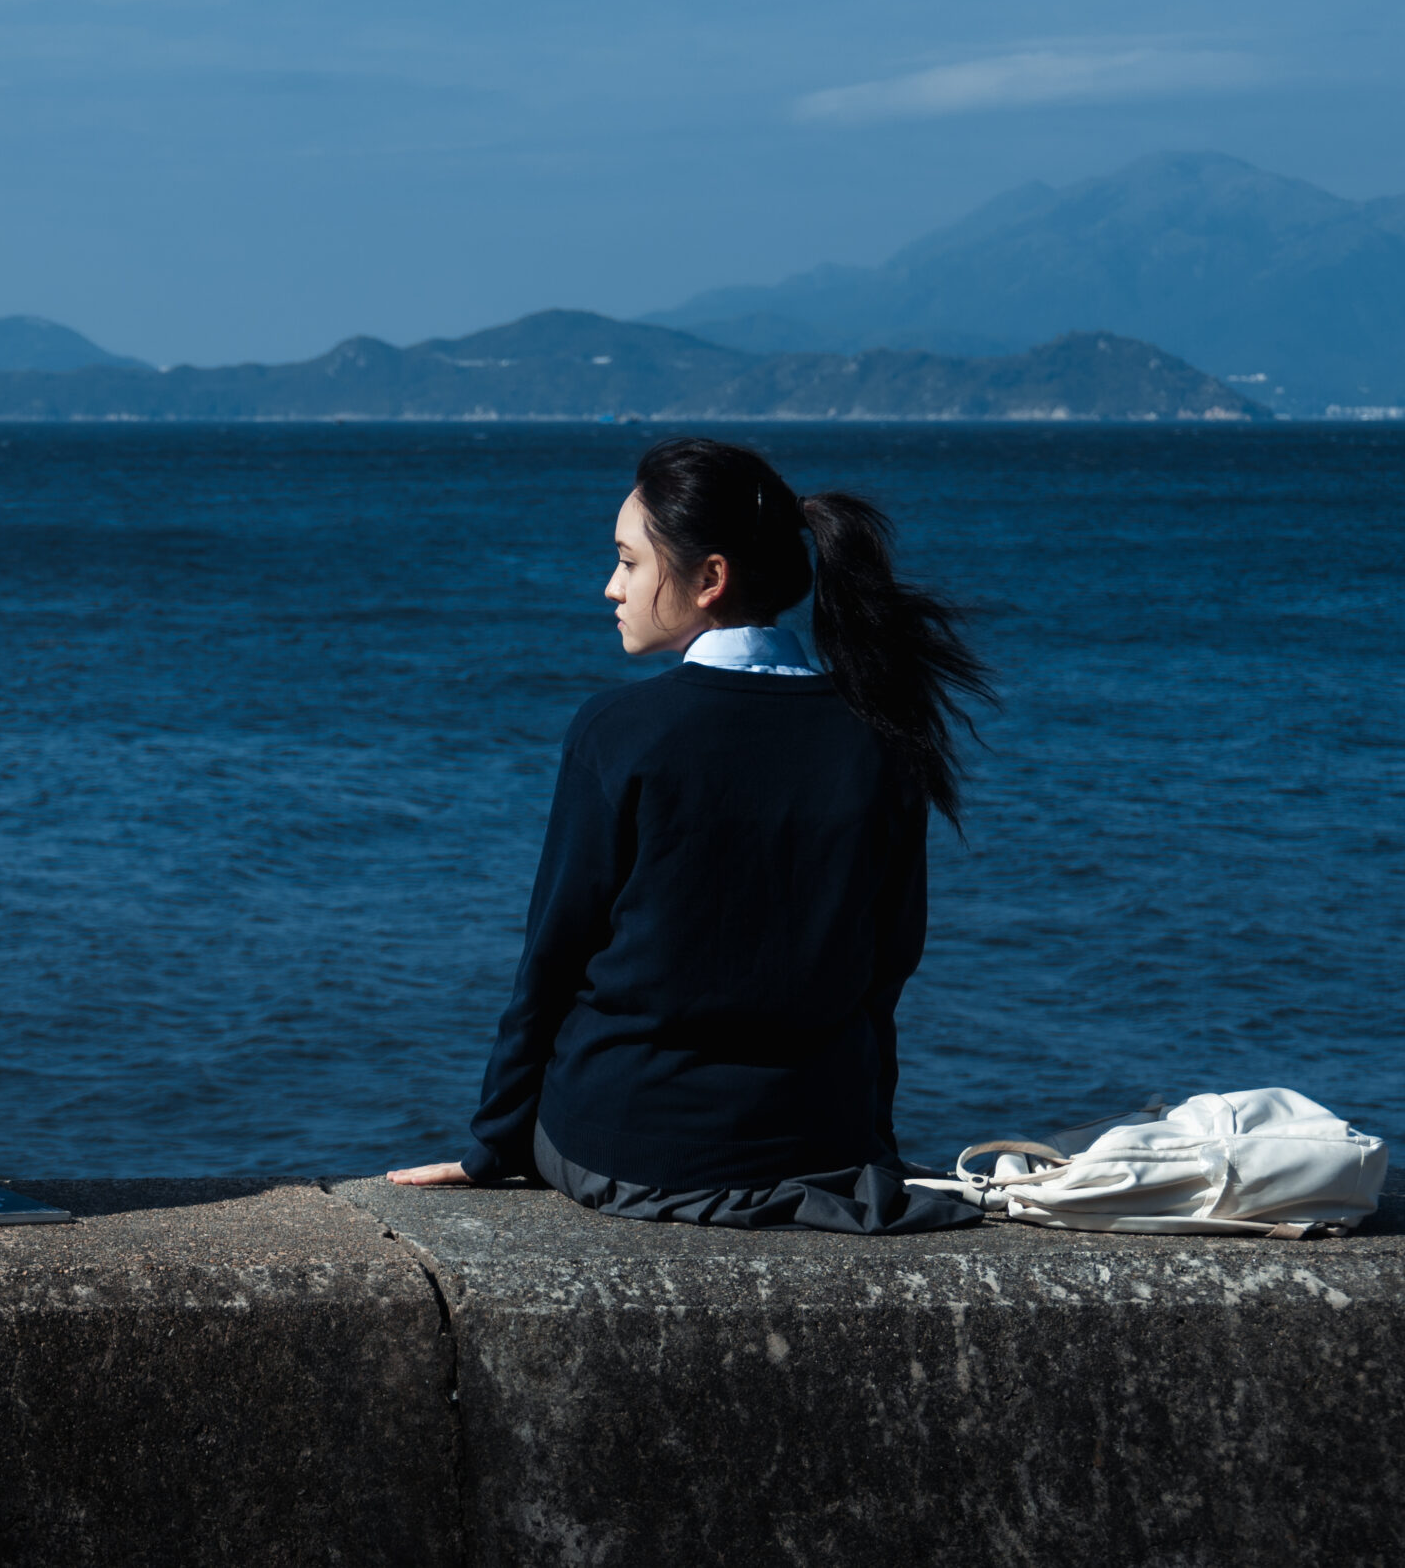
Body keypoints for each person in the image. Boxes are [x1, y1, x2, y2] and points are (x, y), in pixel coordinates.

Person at [388, 437, 991, 1233]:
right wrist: (868, 1139)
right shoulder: (883, 738)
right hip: (820, 1147)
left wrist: (493, 1145)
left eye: (629, 563)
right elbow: (886, 970)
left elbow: (552, 961)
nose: (611, 587)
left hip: (635, 1149)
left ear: (709, 578)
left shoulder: (620, 730)